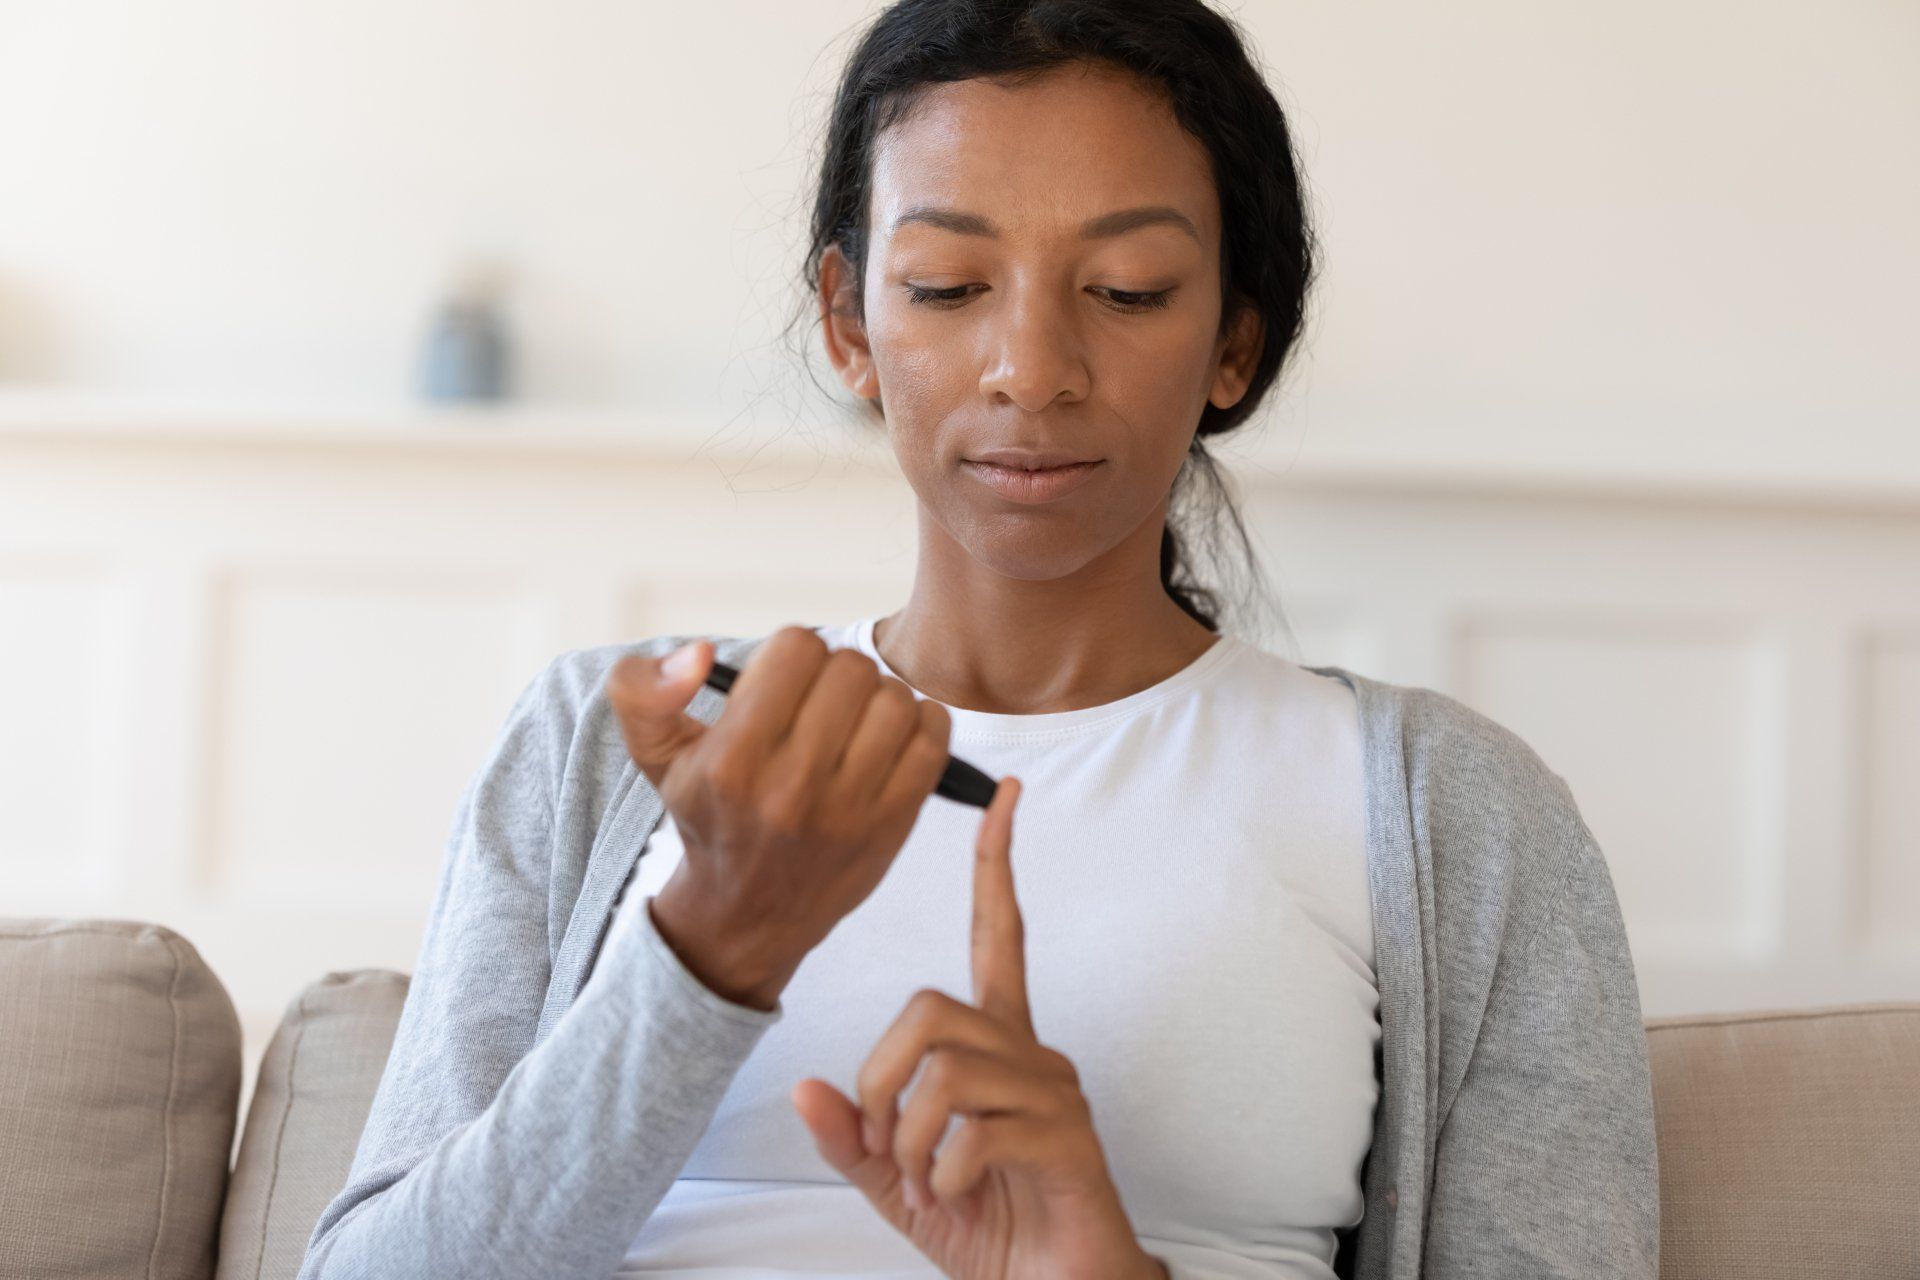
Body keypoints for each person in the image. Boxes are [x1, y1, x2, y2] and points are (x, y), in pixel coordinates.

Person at [298, 2, 1658, 1277]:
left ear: (1235, 341)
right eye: (949, 286)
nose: (1032, 367)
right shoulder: (616, 735)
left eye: (1127, 290)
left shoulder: (1462, 819)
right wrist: (709, 951)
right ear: (849, 324)